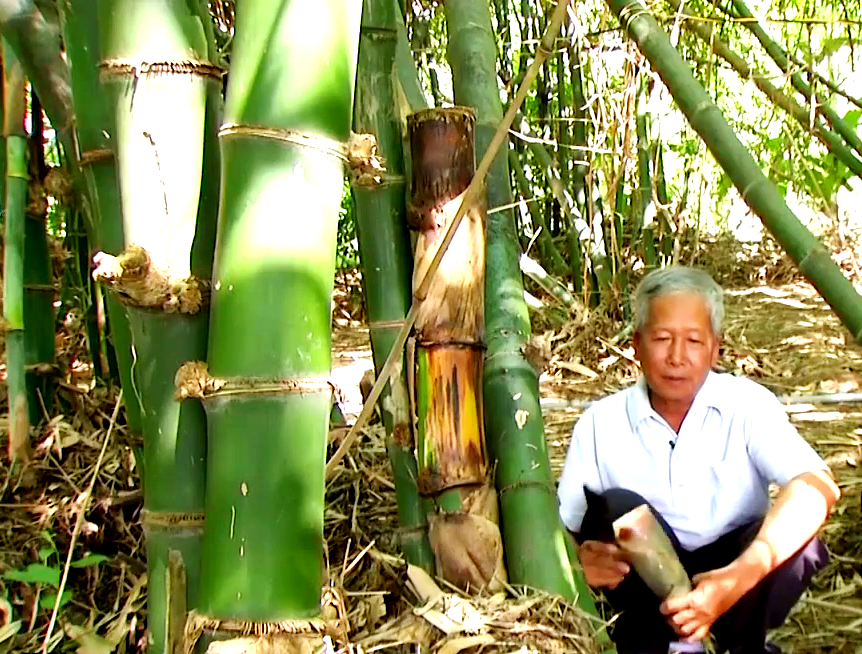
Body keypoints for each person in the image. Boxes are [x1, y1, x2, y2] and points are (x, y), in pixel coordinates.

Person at [557, 266, 840, 654]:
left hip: (736, 584)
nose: (677, 357)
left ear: (714, 348)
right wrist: (578, 564)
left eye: (693, 340)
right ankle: (664, 642)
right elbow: (563, 529)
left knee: (798, 543)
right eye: (662, 339)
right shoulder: (598, 424)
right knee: (618, 508)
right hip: (643, 594)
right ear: (637, 345)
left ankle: (736, 643)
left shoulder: (747, 404)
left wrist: (741, 574)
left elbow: (817, 486)